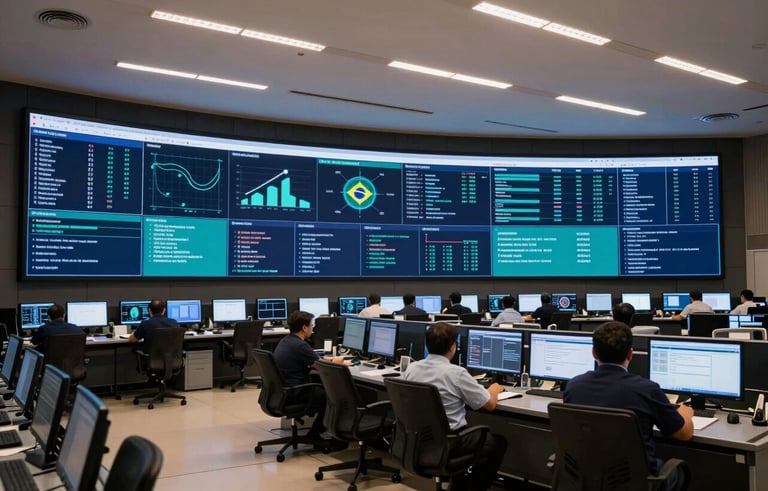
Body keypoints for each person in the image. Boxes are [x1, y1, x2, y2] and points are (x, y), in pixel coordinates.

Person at [564, 321, 693, 490]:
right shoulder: (646, 389)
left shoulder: (573, 385)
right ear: (631, 354)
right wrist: (685, 413)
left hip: (588, 477)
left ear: (594, 353)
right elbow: (684, 434)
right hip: (636, 480)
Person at [403, 322, 508, 491]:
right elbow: (489, 405)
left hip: (420, 439)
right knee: (497, 443)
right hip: (451, 440)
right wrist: (493, 390)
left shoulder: (412, 369)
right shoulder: (456, 373)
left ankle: (459, 481)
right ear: (453, 347)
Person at [272, 310, 348, 438]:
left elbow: (315, 360)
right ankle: (315, 433)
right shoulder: (300, 346)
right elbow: (322, 367)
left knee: (320, 383)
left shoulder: (287, 341)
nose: (312, 329)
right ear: (304, 327)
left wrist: (330, 359)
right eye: (311, 325)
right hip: (296, 393)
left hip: (282, 392)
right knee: (334, 397)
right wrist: (340, 363)